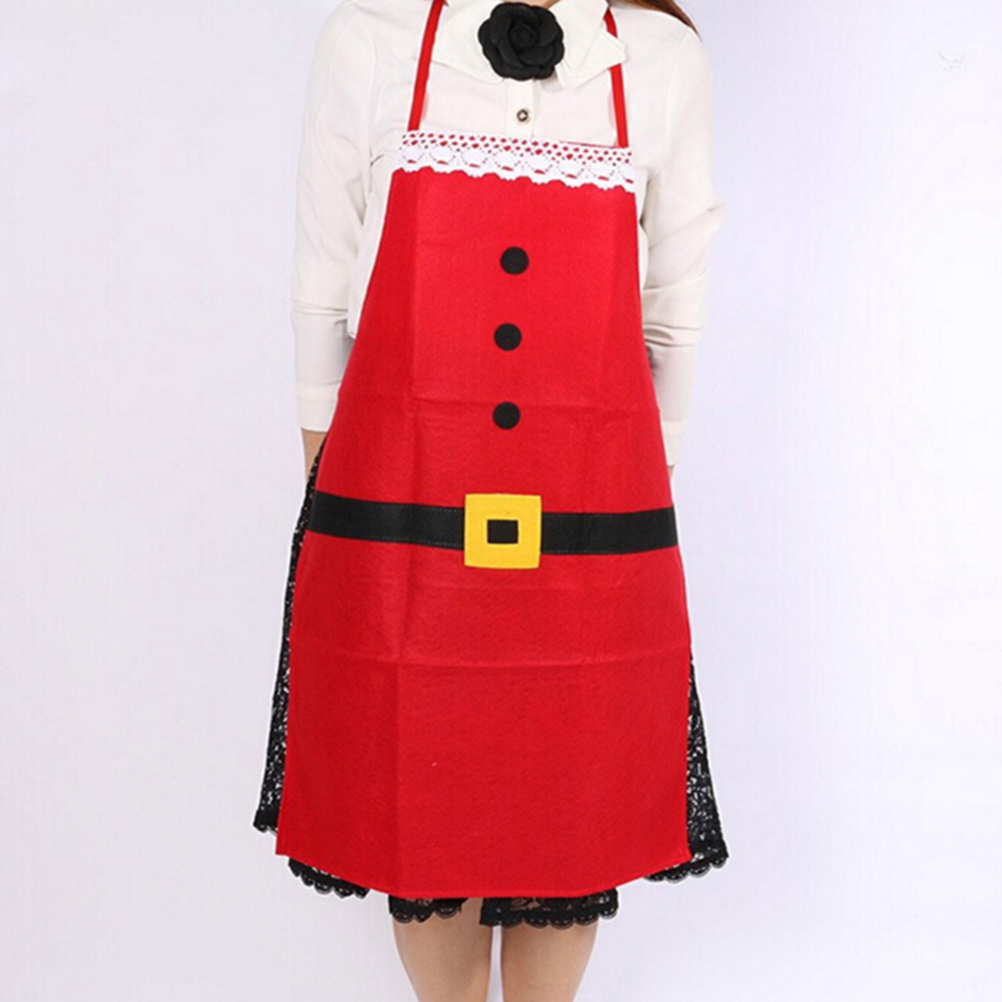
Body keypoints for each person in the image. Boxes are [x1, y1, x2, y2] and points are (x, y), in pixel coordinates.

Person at [253, 1, 729, 999]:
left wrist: (639, 498)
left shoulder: (661, 56)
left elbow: (675, 307)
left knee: (571, 819)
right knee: (421, 811)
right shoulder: (371, 36)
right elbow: (322, 282)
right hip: (399, 496)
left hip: (595, 506)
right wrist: (336, 502)